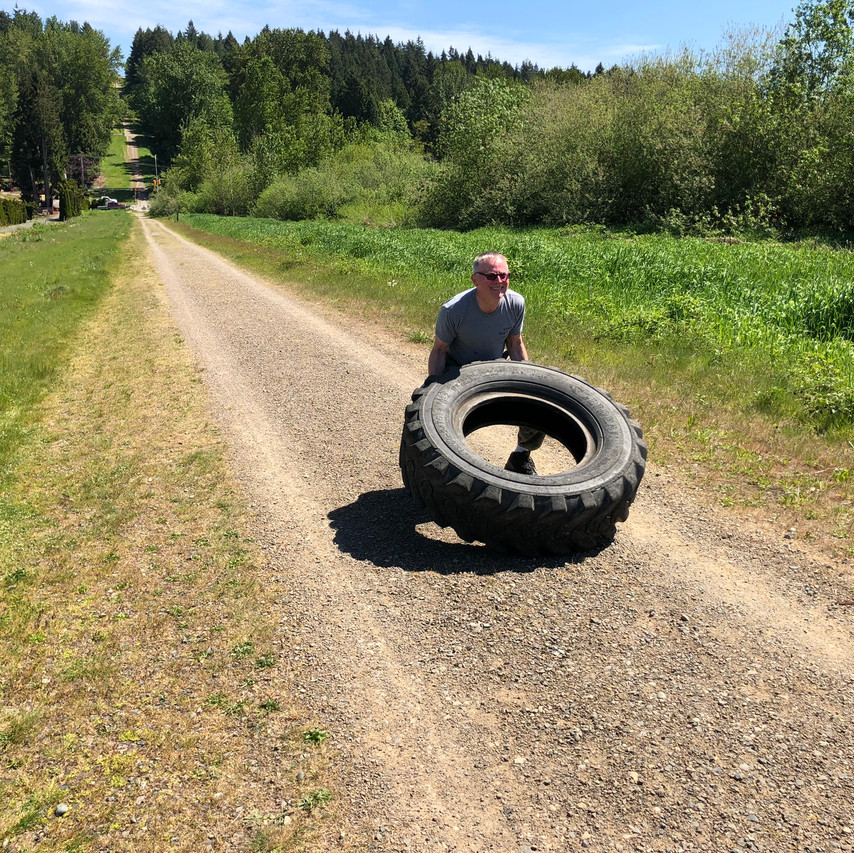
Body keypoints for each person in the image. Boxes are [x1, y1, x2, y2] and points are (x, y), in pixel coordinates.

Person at [427, 251, 544, 475]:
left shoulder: (516, 303)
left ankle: (520, 456)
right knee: (434, 411)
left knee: (538, 402)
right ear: (475, 279)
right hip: (458, 369)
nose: (499, 282)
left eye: (504, 276)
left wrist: (528, 380)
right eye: (491, 276)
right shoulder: (454, 310)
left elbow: (515, 343)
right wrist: (431, 387)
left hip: (495, 367)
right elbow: (439, 350)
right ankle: (440, 459)